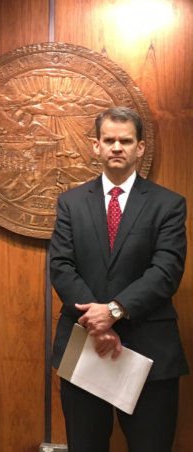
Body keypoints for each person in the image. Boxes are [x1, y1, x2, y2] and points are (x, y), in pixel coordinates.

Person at [50, 106, 188, 451]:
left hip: (149, 350)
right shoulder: (70, 202)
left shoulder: (168, 204)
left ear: (140, 148)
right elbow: (62, 266)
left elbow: (167, 270)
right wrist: (97, 322)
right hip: (85, 344)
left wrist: (114, 310)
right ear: (95, 146)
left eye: (125, 141)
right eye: (108, 140)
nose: (116, 147)